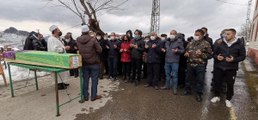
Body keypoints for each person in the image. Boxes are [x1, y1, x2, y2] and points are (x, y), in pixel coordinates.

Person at [210, 29, 246, 107]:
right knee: (217, 83)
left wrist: (234, 60)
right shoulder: (220, 43)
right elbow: (213, 53)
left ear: (233, 34)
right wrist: (217, 57)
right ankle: (217, 96)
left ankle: (228, 99)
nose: (226, 35)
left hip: (231, 68)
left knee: (230, 84)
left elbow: (243, 56)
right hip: (219, 67)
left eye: (228, 34)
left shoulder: (239, 44)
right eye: (225, 34)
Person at [183, 29, 212, 102]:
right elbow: (186, 51)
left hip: (200, 65)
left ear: (202, 35)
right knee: (188, 79)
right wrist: (186, 54)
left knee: (200, 80)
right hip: (190, 64)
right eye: (195, 34)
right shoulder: (191, 43)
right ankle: (187, 90)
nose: (196, 36)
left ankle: (199, 94)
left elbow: (210, 55)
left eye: (197, 35)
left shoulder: (206, 44)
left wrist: (202, 54)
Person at [77, 25, 102, 102]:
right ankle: (93, 96)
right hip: (94, 62)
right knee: (94, 80)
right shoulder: (93, 39)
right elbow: (100, 50)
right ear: (88, 31)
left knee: (85, 80)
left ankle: (85, 96)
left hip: (84, 62)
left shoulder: (78, 40)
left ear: (82, 32)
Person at [161, 30, 184, 95]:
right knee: (167, 75)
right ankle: (167, 86)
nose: (172, 35)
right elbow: (164, 47)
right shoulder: (167, 41)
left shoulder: (179, 41)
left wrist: (177, 51)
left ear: (176, 34)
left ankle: (175, 88)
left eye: (173, 33)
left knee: (174, 76)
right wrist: (164, 50)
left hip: (175, 61)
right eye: (171, 33)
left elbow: (182, 50)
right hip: (167, 61)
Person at [48, 25, 70, 90]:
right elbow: (54, 49)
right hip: (56, 58)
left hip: (60, 58)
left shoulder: (57, 38)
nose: (59, 31)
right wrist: (64, 48)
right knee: (58, 72)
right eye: (58, 30)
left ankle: (62, 82)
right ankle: (58, 85)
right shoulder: (51, 39)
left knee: (62, 72)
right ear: (54, 31)